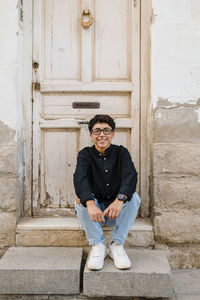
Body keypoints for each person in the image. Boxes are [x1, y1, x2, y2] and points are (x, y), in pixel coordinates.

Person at [73, 114, 141, 270]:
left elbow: (131, 176)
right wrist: (89, 203)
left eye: (106, 130)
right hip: (94, 215)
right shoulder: (85, 154)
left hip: (115, 214)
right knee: (80, 198)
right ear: (91, 135)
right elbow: (79, 178)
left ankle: (116, 245)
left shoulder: (121, 152)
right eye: (97, 131)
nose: (102, 135)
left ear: (113, 134)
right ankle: (97, 245)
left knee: (134, 198)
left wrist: (119, 200)